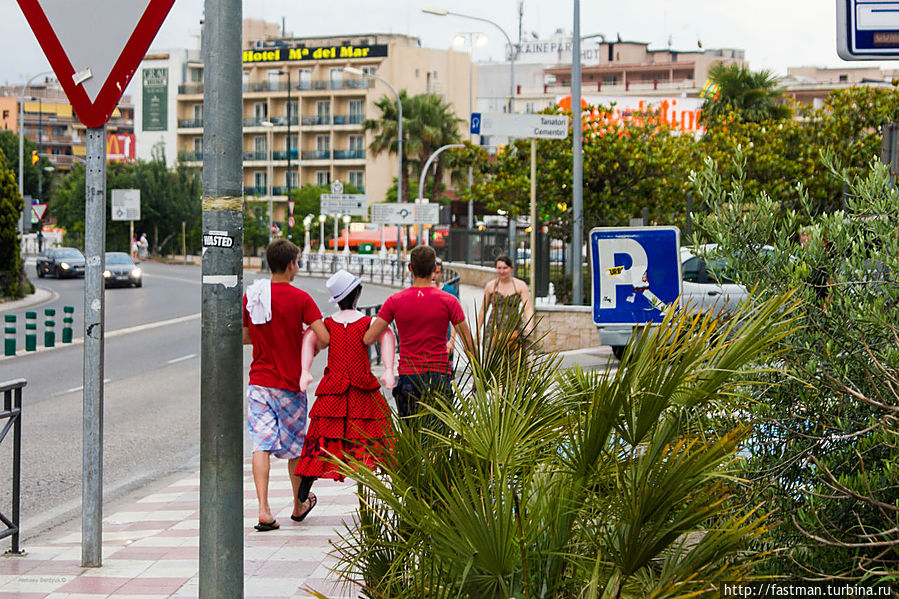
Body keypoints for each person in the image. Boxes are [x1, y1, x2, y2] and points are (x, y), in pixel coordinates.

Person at [242, 239, 329, 531]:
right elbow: (324, 338)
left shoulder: (253, 297)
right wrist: (302, 338)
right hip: (290, 386)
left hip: (259, 383)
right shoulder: (301, 299)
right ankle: (298, 503)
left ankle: (264, 509)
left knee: (261, 445)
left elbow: (245, 336)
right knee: (295, 450)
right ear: (292, 263)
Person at [293, 270, 396, 510]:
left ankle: (304, 489)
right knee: (375, 433)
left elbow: (309, 338)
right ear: (358, 293)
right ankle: (392, 483)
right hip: (362, 387)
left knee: (323, 435)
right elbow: (387, 335)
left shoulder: (328, 323)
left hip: (334, 391)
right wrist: (389, 369)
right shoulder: (367, 322)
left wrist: (305, 370)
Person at [363, 245, 474, 419]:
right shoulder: (449, 301)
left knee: (412, 437)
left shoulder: (395, 301)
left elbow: (369, 338)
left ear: (409, 268)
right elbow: (469, 344)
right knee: (439, 437)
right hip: (439, 376)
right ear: (435, 268)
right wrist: (478, 374)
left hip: (409, 377)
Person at [479, 254, 535, 348]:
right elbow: (483, 310)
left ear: (511, 268)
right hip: (494, 328)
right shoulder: (490, 286)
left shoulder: (520, 285)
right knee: (493, 359)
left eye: (505, 268)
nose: (501, 271)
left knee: (515, 359)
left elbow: (528, 307)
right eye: (499, 268)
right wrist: (478, 330)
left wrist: (529, 325)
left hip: (514, 328)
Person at [431, 258, 459, 370]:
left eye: (437, 272)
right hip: (425, 343)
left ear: (441, 273)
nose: (434, 276)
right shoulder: (419, 291)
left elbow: (455, 319)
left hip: (445, 341)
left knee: (446, 376)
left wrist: (451, 341)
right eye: (431, 272)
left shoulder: (449, 290)